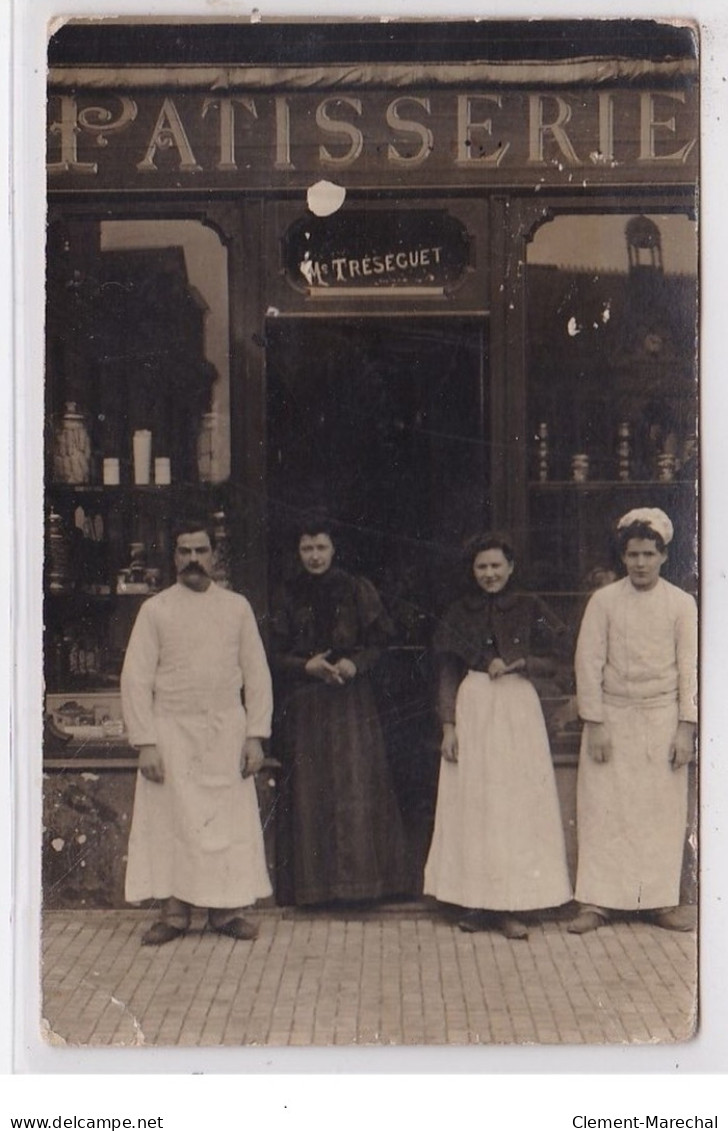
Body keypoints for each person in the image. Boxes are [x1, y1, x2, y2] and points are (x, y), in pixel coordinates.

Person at [121, 519, 273, 945]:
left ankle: (226, 912)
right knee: (173, 821)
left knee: (224, 822)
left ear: (214, 556)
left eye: (201, 551)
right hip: (171, 733)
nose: (193, 560)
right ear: (174, 558)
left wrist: (255, 734)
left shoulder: (236, 607)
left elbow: (257, 675)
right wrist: (146, 741)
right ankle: (174, 913)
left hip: (225, 730)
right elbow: (135, 678)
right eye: (185, 551)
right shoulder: (155, 611)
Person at [423, 533, 572, 939]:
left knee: (514, 803)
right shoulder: (459, 612)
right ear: (472, 572)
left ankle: (513, 905)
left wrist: (525, 663)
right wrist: (449, 726)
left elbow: (562, 659)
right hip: (474, 707)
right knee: (475, 802)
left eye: (496, 566)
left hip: (517, 708)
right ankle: (477, 902)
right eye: (481, 567)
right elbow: (448, 674)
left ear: (511, 568)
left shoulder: (529, 607)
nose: (489, 574)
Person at [568, 507, 698, 934]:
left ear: (663, 556)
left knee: (659, 811)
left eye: (648, 554)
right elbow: (588, 662)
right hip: (613, 717)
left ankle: (659, 901)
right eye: (632, 555)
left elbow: (690, 669)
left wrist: (685, 727)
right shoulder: (604, 601)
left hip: (661, 717)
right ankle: (597, 902)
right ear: (622, 557)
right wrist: (597, 722)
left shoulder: (681, 604)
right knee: (605, 809)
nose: (640, 563)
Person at [270, 519, 410, 906]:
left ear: (334, 550)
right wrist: (305, 666)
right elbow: (273, 653)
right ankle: (316, 890)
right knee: (311, 788)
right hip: (307, 704)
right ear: (298, 553)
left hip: (351, 703)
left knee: (355, 784)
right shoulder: (286, 594)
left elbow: (382, 643)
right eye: (306, 549)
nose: (314, 556)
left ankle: (361, 888)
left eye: (321, 548)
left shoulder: (356, 589)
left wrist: (355, 664)